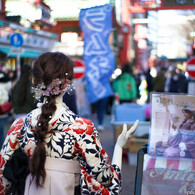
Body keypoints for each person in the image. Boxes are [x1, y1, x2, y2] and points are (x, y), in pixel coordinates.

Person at [0, 52, 139, 195]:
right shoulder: (82, 128)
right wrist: (119, 146)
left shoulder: (19, 125)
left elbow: (2, 179)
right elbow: (108, 180)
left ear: (35, 82)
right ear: (67, 83)